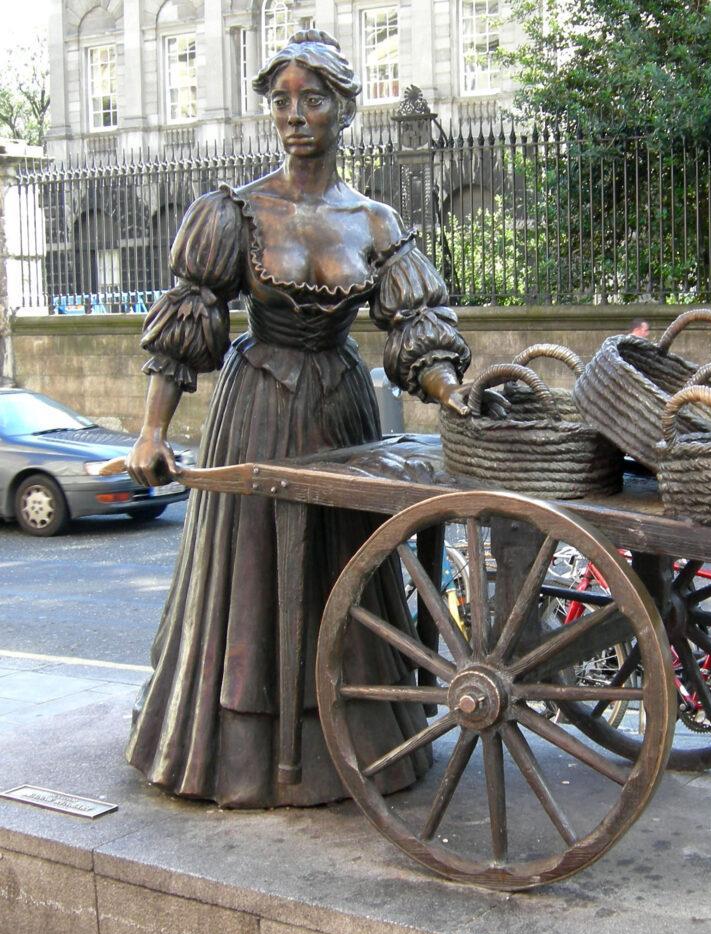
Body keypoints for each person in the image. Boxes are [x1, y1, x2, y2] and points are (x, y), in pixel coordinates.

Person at [124, 30, 472, 808]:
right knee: (251, 580)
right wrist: (151, 430)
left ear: (345, 110)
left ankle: (357, 740)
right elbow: (190, 319)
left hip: (345, 412)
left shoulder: (376, 221)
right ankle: (244, 752)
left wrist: (450, 391)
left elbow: (414, 326)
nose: (293, 116)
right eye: (280, 101)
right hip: (259, 408)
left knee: (345, 570)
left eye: (312, 100)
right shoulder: (236, 211)